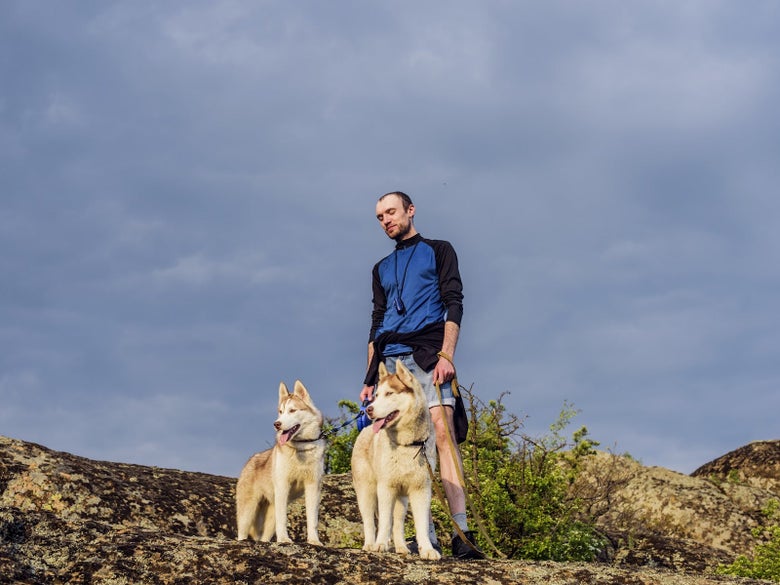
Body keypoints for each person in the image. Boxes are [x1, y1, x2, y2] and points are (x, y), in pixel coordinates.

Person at [359, 190, 484, 560]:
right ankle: (421, 536)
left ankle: (461, 533)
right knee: (402, 449)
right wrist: (368, 379)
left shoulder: (439, 249)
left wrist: (447, 354)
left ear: (410, 211)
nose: (386, 221)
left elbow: (454, 301)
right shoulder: (379, 269)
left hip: (429, 355)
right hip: (390, 365)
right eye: (380, 217)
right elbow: (376, 323)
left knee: (442, 437)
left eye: (391, 212)